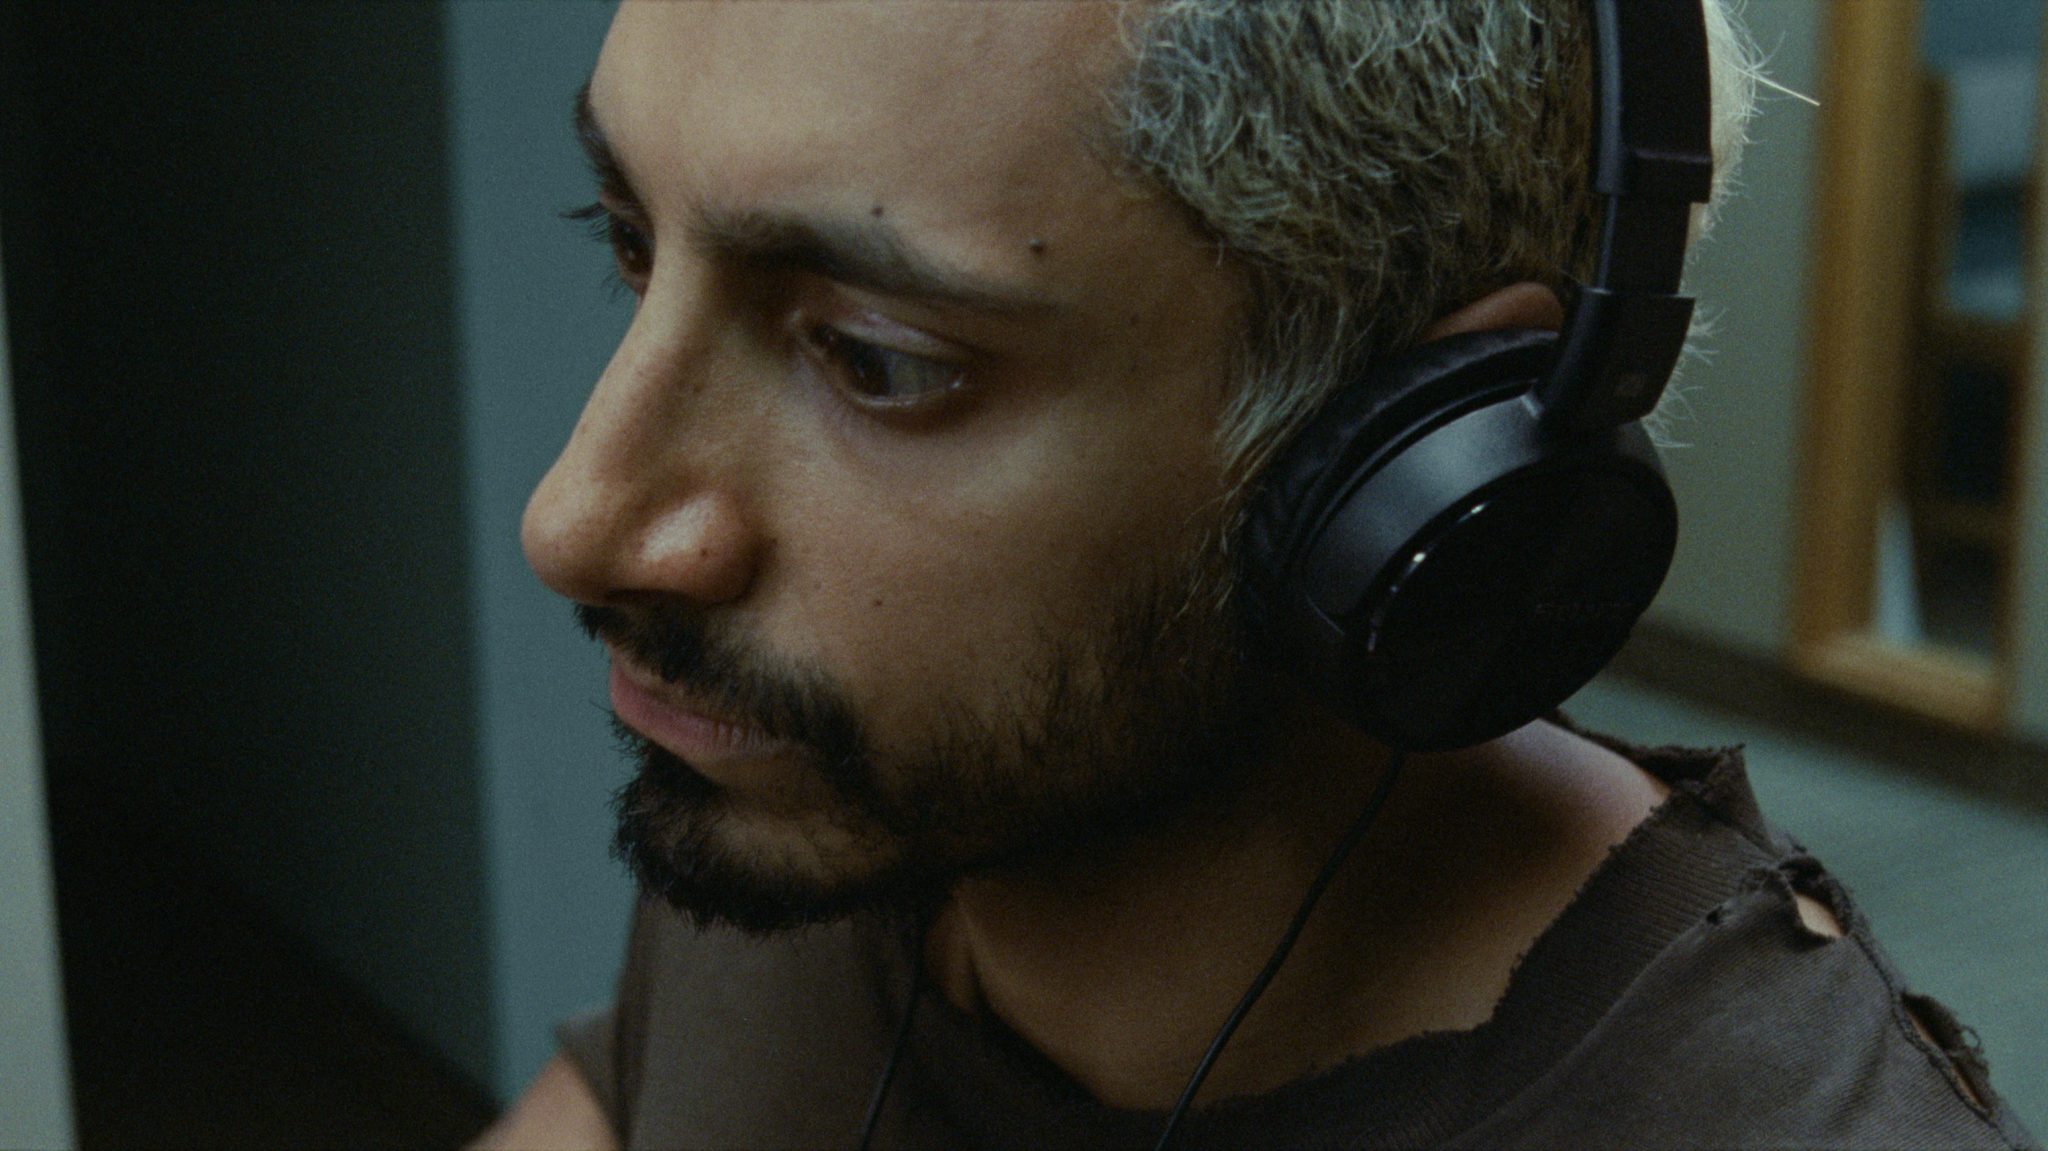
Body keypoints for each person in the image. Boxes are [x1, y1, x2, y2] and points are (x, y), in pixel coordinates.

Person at [479, 1, 2038, 1148]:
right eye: (628, 236)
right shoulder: (840, 790)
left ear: (1406, 462)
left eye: (877, 362)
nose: (580, 519)